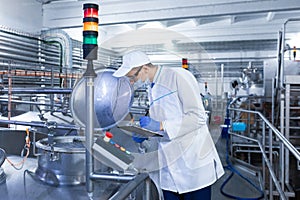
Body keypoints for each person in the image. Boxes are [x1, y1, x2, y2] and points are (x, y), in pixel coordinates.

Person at [113, 50, 224, 200]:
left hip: (193, 162)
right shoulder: (151, 87)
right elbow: (164, 120)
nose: (132, 82)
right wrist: (145, 133)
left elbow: (197, 117)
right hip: (169, 163)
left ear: (145, 68)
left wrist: (160, 126)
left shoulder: (178, 76)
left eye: (133, 77)